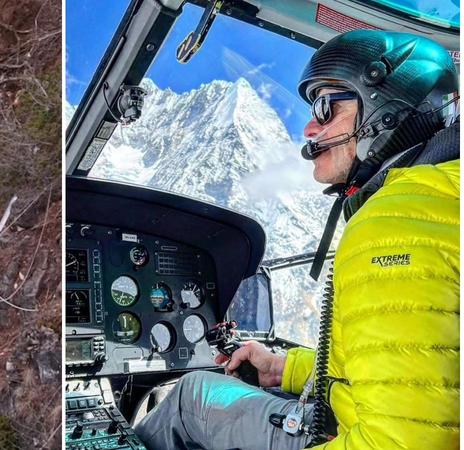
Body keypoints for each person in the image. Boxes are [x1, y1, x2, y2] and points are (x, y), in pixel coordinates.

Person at [134, 29, 459, 450]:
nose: (308, 127)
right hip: (352, 417)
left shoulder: (394, 223)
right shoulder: (440, 194)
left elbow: (405, 440)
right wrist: (281, 368)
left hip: (350, 434)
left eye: (325, 107)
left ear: (387, 111)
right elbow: (406, 372)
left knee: (188, 397)